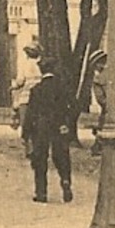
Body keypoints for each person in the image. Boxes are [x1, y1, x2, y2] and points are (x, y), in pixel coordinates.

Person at [24, 55, 75, 203]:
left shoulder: (36, 90)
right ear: (54, 69)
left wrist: (26, 132)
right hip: (59, 125)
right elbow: (72, 106)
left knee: (40, 158)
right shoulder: (62, 87)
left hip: (41, 126)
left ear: (41, 70)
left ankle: (42, 193)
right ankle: (65, 180)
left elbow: (30, 112)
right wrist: (67, 124)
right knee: (61, 155)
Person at [11, 43, 42, 151]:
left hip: (26, 97)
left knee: (25, 122)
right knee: (38, 122)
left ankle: (28, 146)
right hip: (39, 98)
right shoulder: (41, 65)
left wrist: (13, 86)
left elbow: (20, 81)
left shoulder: (25, 65)